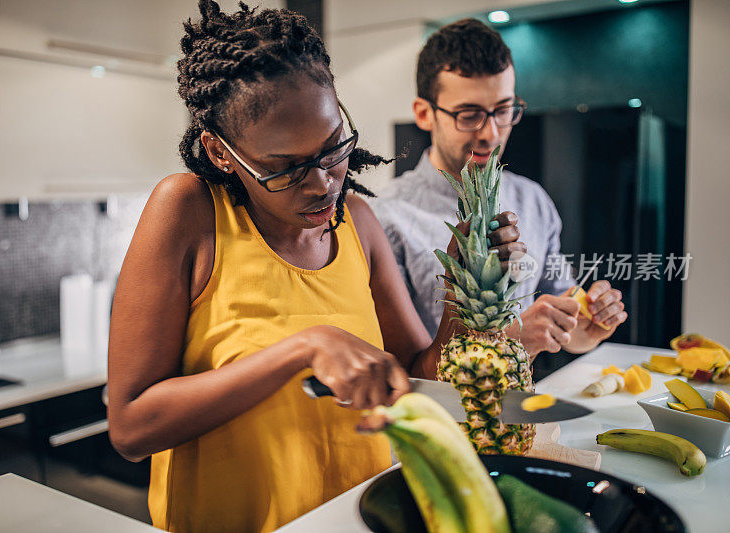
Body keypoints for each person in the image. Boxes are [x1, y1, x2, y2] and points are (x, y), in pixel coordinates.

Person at [106, 3, 523, 532]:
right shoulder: (189, 211)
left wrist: (463, 288)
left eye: (333, 150)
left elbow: (419, 376)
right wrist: (303, 348)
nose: (323, 182)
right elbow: (131, 427)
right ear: (219, 151)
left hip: (361, 519)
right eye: (285, 168)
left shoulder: (358, 222)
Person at [368, 18, 628, 359]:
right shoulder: (384, 217)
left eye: (503, 109)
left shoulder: (533, 200)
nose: (490, 133)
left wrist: (590, 327)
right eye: (468, 114)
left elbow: (566, 320)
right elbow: (407, 366)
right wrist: (512, 338)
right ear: (424, 113)